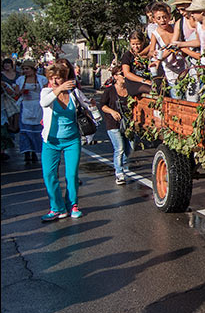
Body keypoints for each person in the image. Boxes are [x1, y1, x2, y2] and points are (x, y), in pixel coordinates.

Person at [39, 60, 98, 221]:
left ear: (64, 78)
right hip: (51, 141)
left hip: (72, 140)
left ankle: (72, 205)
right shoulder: (46, 92)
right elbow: (44, 103)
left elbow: (89, 106)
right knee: (49, 175)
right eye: (51, 78)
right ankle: (57, 208)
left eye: (57, 78)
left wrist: (92, 106)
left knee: (71, 175)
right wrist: (57, 90)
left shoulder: (74, 93)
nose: (54, 81)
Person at [99, 65, 133, 185]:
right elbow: (102, 105)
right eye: (121, 74)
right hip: (113, 124)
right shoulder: (109, 90)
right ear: (115, 77)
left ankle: (122, 165)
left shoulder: (129, 89)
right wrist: (112, 112)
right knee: (119, 148)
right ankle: (119, 173)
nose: (124, 76)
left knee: (130, 148)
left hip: (128, 123)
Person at [171, 0, 202, 102]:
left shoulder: (199, 21)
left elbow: (199, 41)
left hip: (202, 61)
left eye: (183, 9)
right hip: (190, 63)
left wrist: (182, 45)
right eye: (179, 9)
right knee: (191, 94)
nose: (181, 12)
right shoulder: (180, 23)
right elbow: (173, 42)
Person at [14, 60, 48, 164]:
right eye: (24, 69)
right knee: (25, 132)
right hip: (26, 105)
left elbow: (47, 91)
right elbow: (16, 94)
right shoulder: (20, 80)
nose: (25, 71)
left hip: (38, 106)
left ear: (33, 69)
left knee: (37, 131)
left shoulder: (42, 79)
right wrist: (21, 92)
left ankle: (35, 152)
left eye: (27, 69)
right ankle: (27, 152)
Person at [121, 30, 153, 96]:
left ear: (143, 42)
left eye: (138, 44)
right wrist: (143, 81)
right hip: (134, 83)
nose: (135, 47)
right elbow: (127, 74)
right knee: (150, 90)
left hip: (148, 80)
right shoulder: (127, 55)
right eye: (133, 44)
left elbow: (152, 44)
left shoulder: (148, 54)